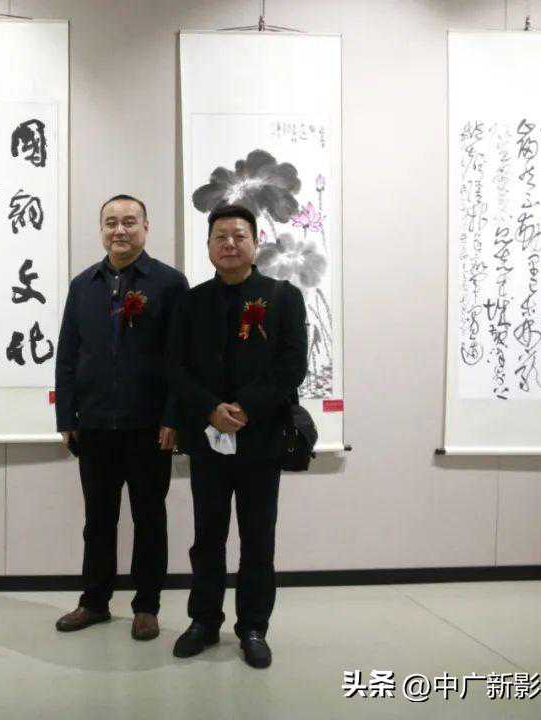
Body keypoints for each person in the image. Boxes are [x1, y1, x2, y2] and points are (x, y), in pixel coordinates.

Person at [166, 204, 307, 668]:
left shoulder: (283, 297)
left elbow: (292, 365)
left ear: (255, 243)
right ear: (208, 246)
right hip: (207, 440)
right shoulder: (191, 302)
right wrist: (211, 408)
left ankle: (253, 627)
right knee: (207, 537)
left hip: (261, 439)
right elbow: (175, 367)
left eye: (239, 235)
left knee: (258, 539)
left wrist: (245, 406)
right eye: (220, 236)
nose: (229, 243)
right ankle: (204, 621)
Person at [53, 194, 188, 641]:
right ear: (101, 230)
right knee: (98, 520)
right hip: (94, 425)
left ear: (146, 227)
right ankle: (94, 601)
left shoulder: (169, 283)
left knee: (149, 518)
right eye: (111, 222)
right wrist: (66, 417)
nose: (120, 230)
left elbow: (181, 358)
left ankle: (146, 606)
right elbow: (67, 355)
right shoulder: (83, 285)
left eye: (130, 221)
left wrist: (174, 416)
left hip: (150, 426)